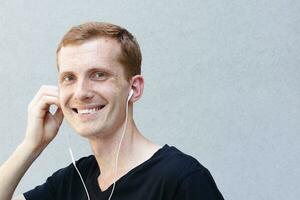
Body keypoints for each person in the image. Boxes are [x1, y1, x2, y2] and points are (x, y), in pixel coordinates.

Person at [0, 22, 224, 200]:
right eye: (69, 78)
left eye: (98, 74)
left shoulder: (181, 178)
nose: (81, 93)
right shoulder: (72, 181)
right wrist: (30, 146)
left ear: (134, 88)